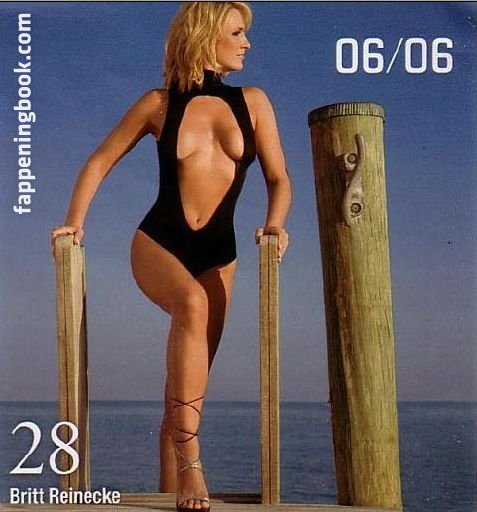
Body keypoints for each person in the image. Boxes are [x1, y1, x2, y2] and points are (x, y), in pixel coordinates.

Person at [50, 2, 291, 511]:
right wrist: (75, 221)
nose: (246, 43)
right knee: (192, 305)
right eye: (237, 32)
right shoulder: (158, 104)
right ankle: (192, 468)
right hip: (159, 243)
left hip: (221, 256)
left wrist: (275, 224)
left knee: (183, 396)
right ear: (205, 35)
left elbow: (278, 178)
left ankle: (171, 492)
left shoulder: (254, 102)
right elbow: (99, 160)